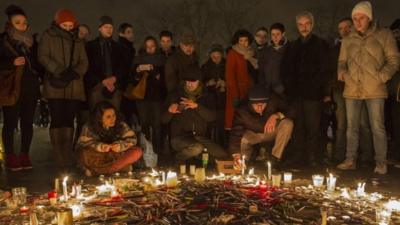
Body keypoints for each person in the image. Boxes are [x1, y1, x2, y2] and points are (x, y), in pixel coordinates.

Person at [337, 1, 400, 174]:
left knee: (377, 126)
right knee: (352, 127)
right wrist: (342, 73)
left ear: (369, 18)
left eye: (361, 17)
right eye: (355, 18)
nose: (357, 22)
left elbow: (394, 60)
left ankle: (381, 162)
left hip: (375, 89)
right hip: (352, 88)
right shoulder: (348, 38)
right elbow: (342, 61)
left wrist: (382, 76)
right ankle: (350, 159)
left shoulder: (384, 35)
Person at [38, 9, 88, 168]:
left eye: (70, 25)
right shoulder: (48, 36)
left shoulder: (78, 40)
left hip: (73, 85)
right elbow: (43, 56)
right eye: (65, 25)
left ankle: (67, 152)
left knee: (69, 119)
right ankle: (58, 153)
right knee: (57, 118)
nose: (67, 27)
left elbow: (84, 62)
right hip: (55, 84)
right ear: (58, 23)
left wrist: (75, 72)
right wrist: (58, 70)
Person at [281, 11, 330, 167]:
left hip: (313, 95)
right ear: (297, 26)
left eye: (307, 23)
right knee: (298, 127)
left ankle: (312, 157)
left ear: (312, 24)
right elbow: (285, 70)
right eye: (300, 24)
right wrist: (289, 89)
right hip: (295, 95)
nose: (304, 27)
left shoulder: (321, 45)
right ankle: (298, 156)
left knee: (313, 127)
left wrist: (319, 89)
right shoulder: (292, 46)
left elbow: (325, 70)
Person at [0, 5, 40, 171]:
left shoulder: (31, 42)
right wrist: (11, 62)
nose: (22, 25)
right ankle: (10, 155)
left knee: (27, 123)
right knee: (9, 123)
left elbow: (38, 64)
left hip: (29, 87)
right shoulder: (3, 41)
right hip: (11, 88)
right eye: (18, 22)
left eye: (24, 22)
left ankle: (24, 154)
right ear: (10, 24)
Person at [329, 18, 373, 165]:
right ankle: (340, 155)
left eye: (347, 27)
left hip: (360, 90)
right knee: (342, 124)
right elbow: (330, 70)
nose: (344, 31)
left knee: (362, 123)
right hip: (340, 90)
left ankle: (366, 155)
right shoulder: (334, 49)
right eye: (341, 28)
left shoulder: (360, 44)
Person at [162, 67, 229, 163]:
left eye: (193, 81)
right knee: (197, 148)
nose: (190, 84)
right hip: (179, 138)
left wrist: (197, 106)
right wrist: (169, 111)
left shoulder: (206, 96)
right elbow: (163, 120)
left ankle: (196, 158)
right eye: (187, 81)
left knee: (222, 155)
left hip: (199, 137)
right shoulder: (175, 95)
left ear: (199, 82)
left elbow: (211, 117)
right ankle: (179, 159)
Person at [229, 86, 295, 167]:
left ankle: (275, 159)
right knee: (242, 139)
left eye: (263, 104)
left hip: (271, 132)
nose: (260, 108)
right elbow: (235, 132)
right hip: (253, 134)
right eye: (256, 105)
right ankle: (245, 162)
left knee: (288, 123)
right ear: (251, 103)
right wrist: (236, 155)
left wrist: (277, 115)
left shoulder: (274, 100)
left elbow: (292, 110)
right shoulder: (242, 109)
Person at [77, 101, 142, 176]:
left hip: (115, 155)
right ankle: (122, 168)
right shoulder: (89, 126)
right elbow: (84, 143)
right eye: (108, 117)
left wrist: (120, 145)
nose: (112, 119)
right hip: (98, 156)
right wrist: (100, 146)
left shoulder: (121, 124)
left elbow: (132, 139)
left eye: (114, 115)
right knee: (83, 153)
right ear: (99, 118)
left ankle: (98, 171)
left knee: (137, 151)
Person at [133, 36, 166, 154]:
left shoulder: (161, 60)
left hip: (157, 97)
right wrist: (138, 71)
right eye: (148, 47)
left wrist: (153, 69)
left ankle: (157, 151)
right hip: (142, 97)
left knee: (157, 125)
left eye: (152, 46)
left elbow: (162, 79)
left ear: (156, 47)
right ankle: (146, 152)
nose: (150, 49)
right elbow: (133, 79)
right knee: (144, 124)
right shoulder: (138, 59)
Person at [86, 16, 123, 110]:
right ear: (100, 28)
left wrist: (114, 79)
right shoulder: (90, 46)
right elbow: (88, 67)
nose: (109, 30)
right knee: (97, 114)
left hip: (114, 87)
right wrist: (102, 80)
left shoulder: (118, 47)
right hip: (97, 86)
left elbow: (122, 66)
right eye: (106, 27)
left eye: (111, 27)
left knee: (113, 115)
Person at [225, 29, 257, 131]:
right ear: (237, 41)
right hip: (237, 91)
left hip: (250, 90)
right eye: (241, 40)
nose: (244, 43)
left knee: (248, 117)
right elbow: (229, 75)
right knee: (236, 117)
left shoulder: (251, 54)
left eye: (246, 40)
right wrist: (235, 94)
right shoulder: (233, 53)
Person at [201, 44, 226, 147]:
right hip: (209, 101)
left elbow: (233, 81)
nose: (216, 59)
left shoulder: (227, 65)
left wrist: (225, 83)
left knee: (221, 126)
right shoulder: (205, 66)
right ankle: (207, 149)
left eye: (218, 57)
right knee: (208, 126)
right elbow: (199, 84)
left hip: (223, 101)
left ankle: (222, 148)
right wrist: (207, 84)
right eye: (213, 57)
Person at [258, 22, 288, 96]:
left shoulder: (289, 49)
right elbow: (261, 71)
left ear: (283, 34)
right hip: (268, 90)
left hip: (283, 92)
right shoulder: (266, 51)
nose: (275, 37)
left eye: (277, 34)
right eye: (273, 34)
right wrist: (263, 86)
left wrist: (284, 87)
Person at [118, 23, 139, 126]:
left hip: (128, 85)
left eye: (132, 32)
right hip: (124, 86)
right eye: (128, 32)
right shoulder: (121, 47)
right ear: (121, 34)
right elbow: (123, 68)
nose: (131, 34)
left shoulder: (130, 48)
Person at [388, 19, 400, 168]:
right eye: (394, 33)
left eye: (398, 32)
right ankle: (396, 155)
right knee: (394, 125)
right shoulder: (392, 47)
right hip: (392, 92)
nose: (396, 35)